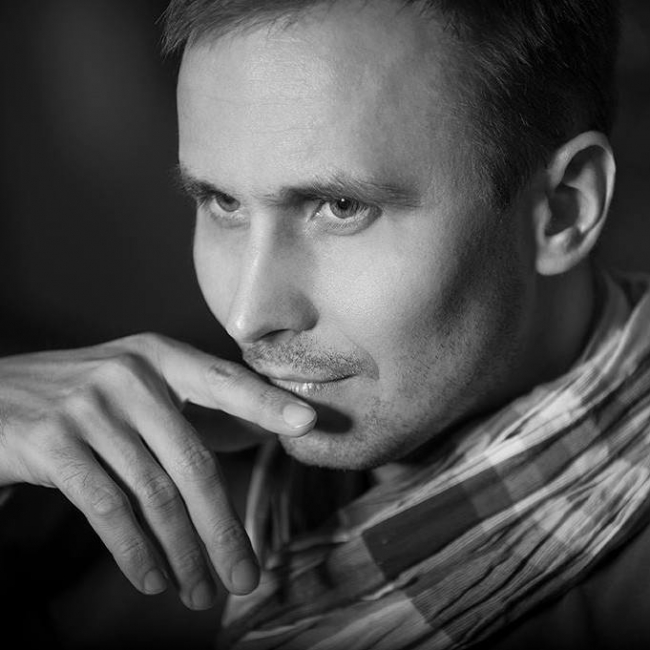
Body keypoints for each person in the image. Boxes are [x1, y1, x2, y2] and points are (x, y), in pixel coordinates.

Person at [2, 0, 650, 647]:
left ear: (563, 209)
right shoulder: (144, 440)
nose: (247, 317)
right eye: (221, 201)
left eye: (340, 207)